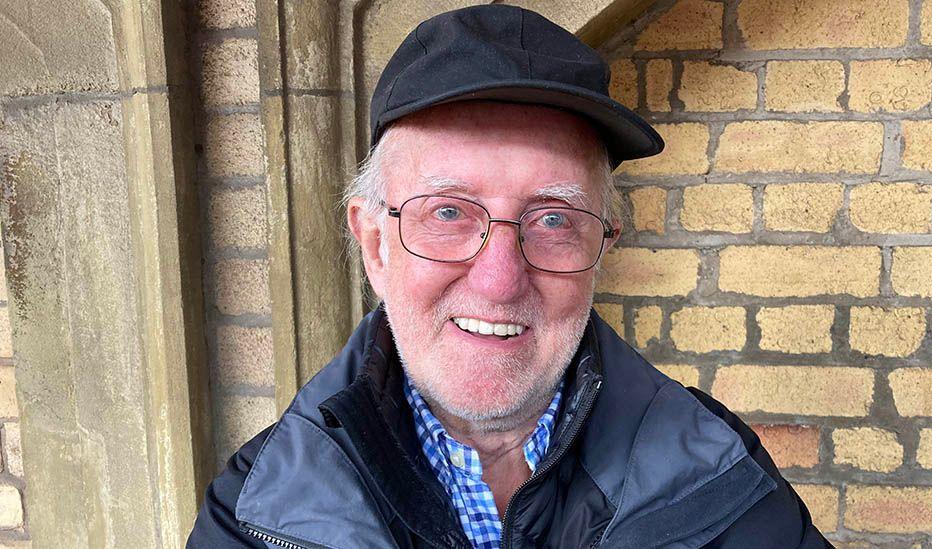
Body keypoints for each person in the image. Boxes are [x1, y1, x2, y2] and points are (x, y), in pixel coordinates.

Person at [188, 5, 831, 548]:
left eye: (553, 220)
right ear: (374, 244)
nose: (499, 281)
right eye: (447, 212)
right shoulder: (256, 513)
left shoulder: (719, 474)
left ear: (600, 246)